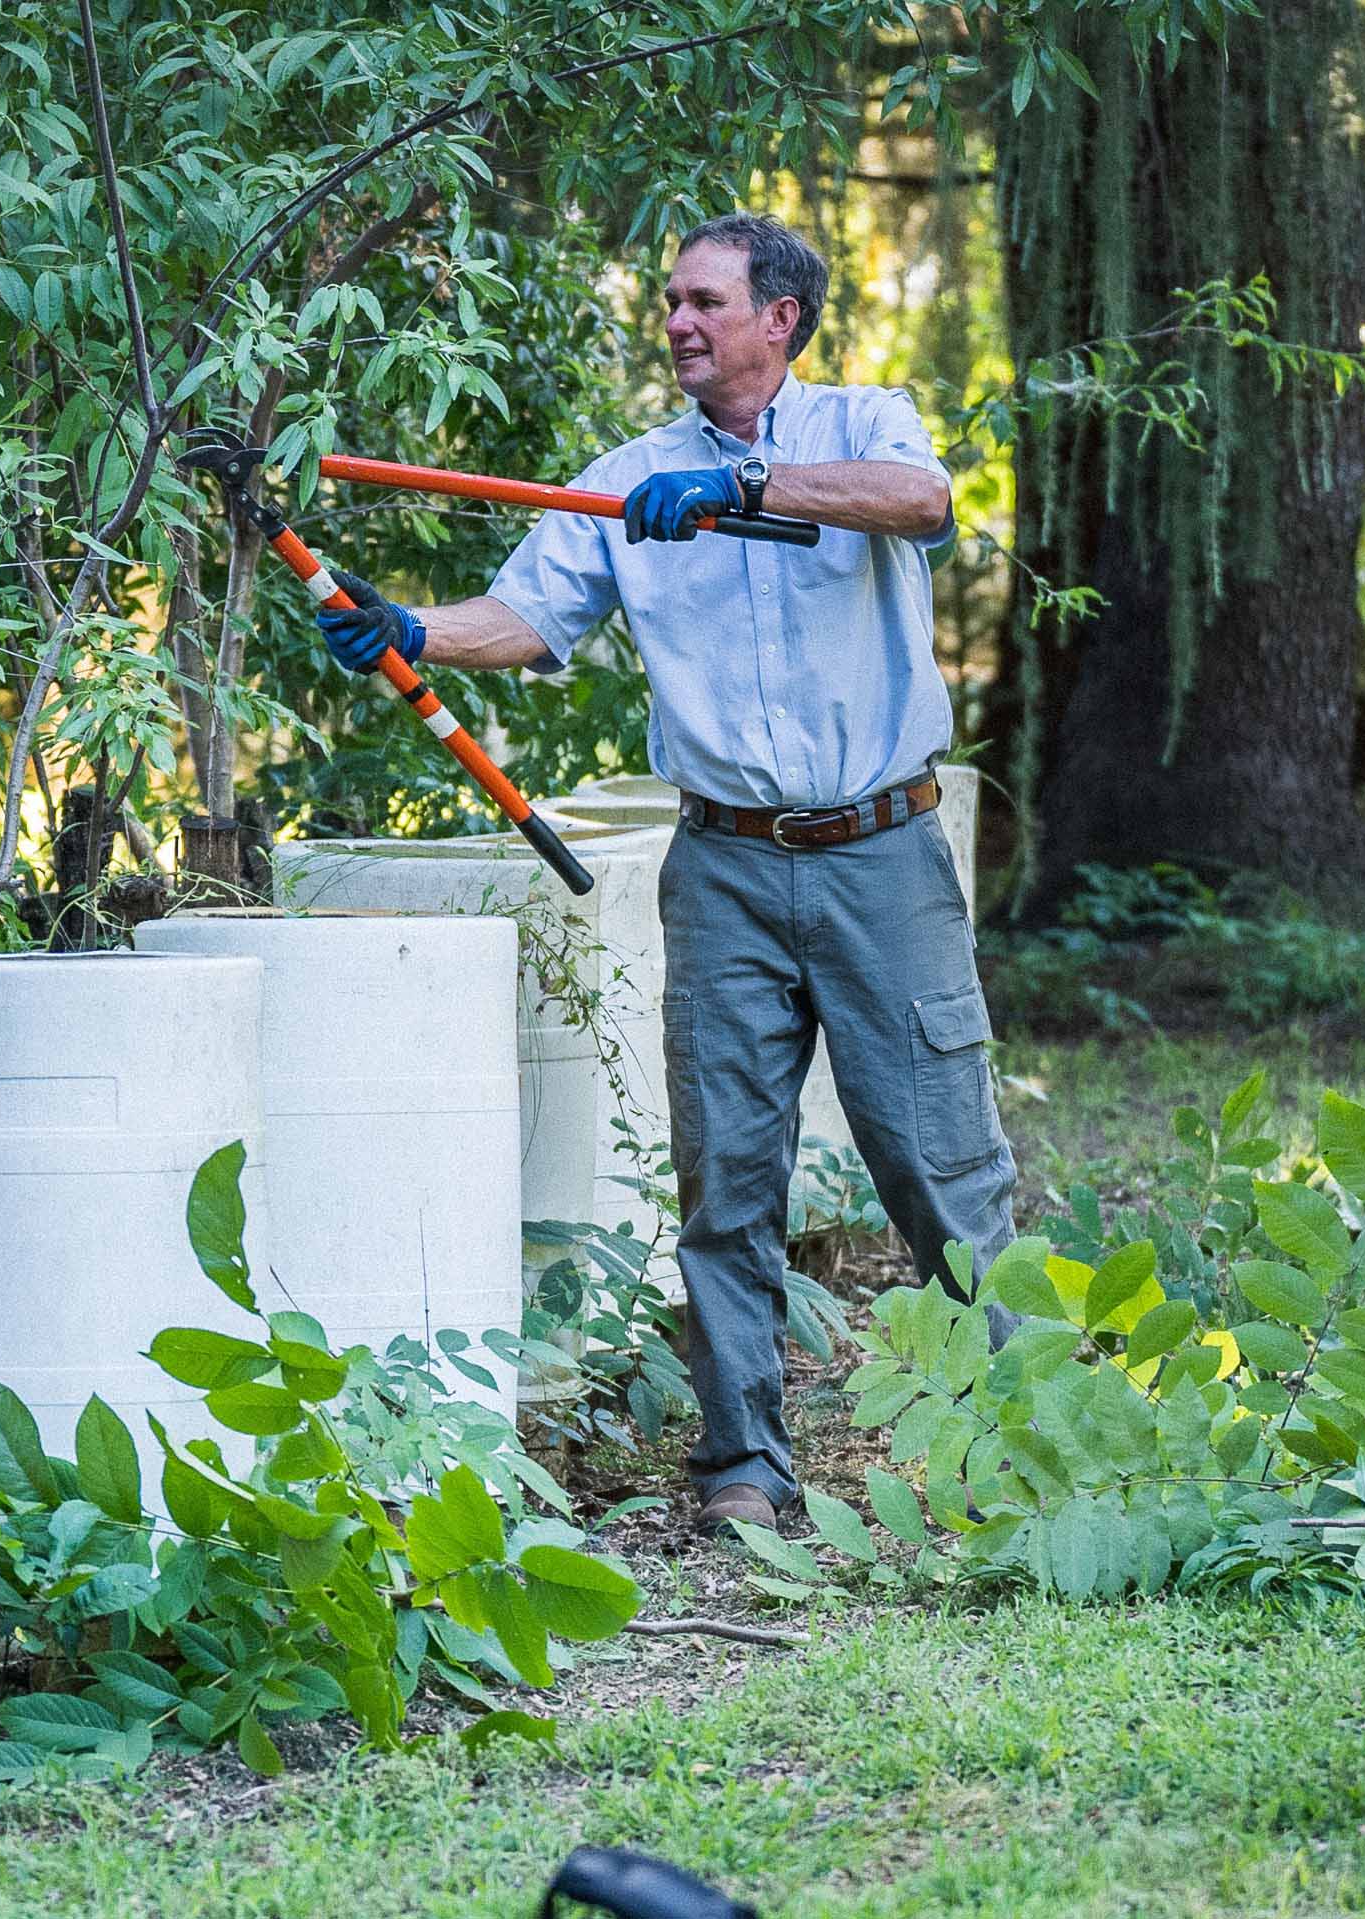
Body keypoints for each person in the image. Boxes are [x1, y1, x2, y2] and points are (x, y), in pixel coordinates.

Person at [313, 213, 1015, 1534]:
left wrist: (751, 491)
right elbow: (524, 619)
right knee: (725, 1174)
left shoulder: (867, 422)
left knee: (938, 1165)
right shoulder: (626, 479)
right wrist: (411, 629)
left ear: (781, 318)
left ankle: (1026, 1441)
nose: (680, 322)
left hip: (879, 854)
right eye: (670, 302)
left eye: (704, 301)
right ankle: (745, 1469)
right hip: (725, 869)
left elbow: (922, 506)